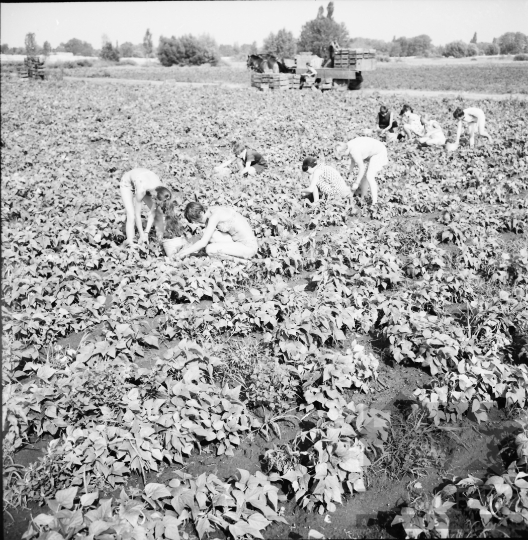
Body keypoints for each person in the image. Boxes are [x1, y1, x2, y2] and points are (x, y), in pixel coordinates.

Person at [174, 202, 258, 261]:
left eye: (197, 221)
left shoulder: (214, 217)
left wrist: (184, 253)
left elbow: (203, 242)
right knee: (212, 236)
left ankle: (243, 262)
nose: (198, 224)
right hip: (238, 242)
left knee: (210, 249)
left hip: (249, 247)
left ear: (201, 212)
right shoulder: (211, 210)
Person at [120, 168, 172, 247]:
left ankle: (160, 241)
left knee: (158, 213)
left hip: (144, 181)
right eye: (155, 200)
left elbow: (153, 212)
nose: (154, 202)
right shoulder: (142, 190)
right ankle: (131, 244)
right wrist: (142, 235)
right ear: (154, 196)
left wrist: (146, 233)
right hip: (127, 183)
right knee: (131, 215)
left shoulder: (160, 190)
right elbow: (137, 214)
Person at [335, 137, 388, 205]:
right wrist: (349, 172)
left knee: (369, 176)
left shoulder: (354, 151)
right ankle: (363, 198)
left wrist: (356, 183)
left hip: (379, 152)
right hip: (373, 150)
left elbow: (361, 168)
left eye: (341, 155)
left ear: (344, 151)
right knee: (364, 177)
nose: (342, 157)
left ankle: (375, 203)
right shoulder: (347, 146)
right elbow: (353, 160)